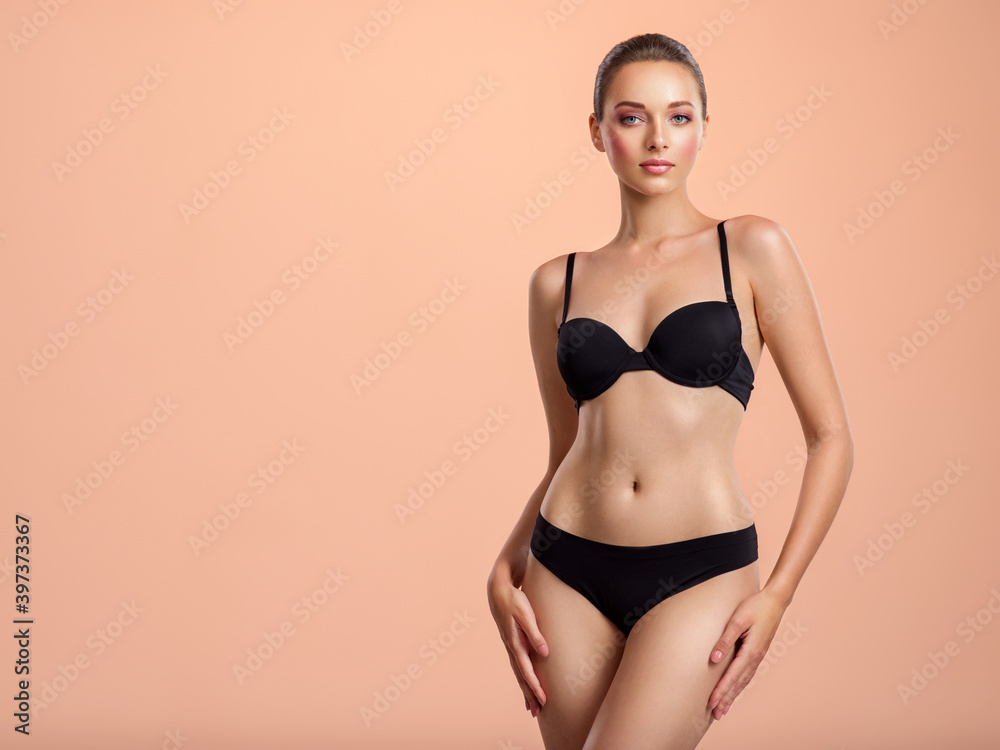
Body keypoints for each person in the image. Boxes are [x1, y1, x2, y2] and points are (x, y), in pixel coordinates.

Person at [486, 32, 854, 749]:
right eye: (632, 116)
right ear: (597, 132)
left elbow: (831, 438)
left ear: (705, 129)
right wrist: (504, 565)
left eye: (679, 117)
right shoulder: (554, 283)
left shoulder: (750, 248)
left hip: (701, 567)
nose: (658, 137)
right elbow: (568, 448)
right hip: (564, 565)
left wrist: (778, 594)